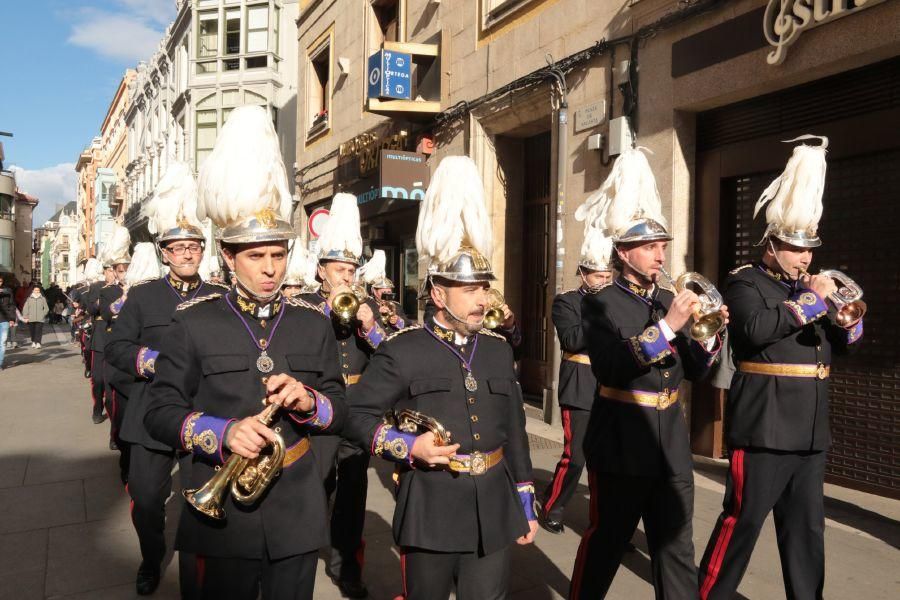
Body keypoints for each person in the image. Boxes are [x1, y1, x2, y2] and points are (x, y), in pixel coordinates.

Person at [144, 105, 346, 600]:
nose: (271, 268)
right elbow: (159, 412)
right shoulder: (193, 322)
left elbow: (340, 407)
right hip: (220, 514)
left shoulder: (312, 321)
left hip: (296, 509)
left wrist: (309, 402)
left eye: (278, 254)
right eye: (256, 256)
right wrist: (223, 432)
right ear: (230, 258)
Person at [344, 155, 537, 600]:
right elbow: (355, 416)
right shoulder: (403, 349)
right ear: (437, 293)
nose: (481, 299)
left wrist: (524, 499)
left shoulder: (497, 347)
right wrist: (407, 445)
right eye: (470, 289)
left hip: (493, 507)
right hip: (430, 509)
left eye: (484, 287)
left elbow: (515, 429)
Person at [698, 136, 864, 600]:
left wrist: (842, 315)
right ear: (771, 246)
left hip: (810, 431)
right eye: (795, 248)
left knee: (807, 531)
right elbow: (752, 329)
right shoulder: (744, 281)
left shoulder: (812, 288)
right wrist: (810, 301)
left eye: (809, 249)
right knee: (743, 521)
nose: (805, 257)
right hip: (764, 428)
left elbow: (842, 346)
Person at [569, 147, 726, 599]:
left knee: (676, 549)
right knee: (606, 544)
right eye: (650, 248)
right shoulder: (598, 303)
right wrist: (669, 328)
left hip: (671, 444)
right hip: (620, 440)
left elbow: (695, 370)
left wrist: (707, 335)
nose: (660, 256)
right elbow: (611, 367)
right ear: (623, 252)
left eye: (662, 247)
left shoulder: (666, 299)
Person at [107, 163, 222, 596]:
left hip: (202, 412)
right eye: (179, 247)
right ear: (165, 252)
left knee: (201, 502)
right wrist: (153, 360)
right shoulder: (143, 296)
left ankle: (198, 572)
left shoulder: (219, 297)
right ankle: (151, 558)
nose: (188, 253)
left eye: (194, 246)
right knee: (148, 500)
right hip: (150, 413)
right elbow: (118, 349)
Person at [299, 193, 386, 599]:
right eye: (340, 269)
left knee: (352, 494)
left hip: (356, 410)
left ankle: (346, 565)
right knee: (314, 487)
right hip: (316, 409)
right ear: (321, 271)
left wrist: (369, 325)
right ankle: (299, 548)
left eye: (352, 270)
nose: (347, 278)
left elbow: (392, 356)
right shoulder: (301, 308)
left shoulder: (368, 306)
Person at [538, 223, 613, 534]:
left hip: (610, 384)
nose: (605, 282)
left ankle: (605, 523)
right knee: (576, 457)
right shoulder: (566, 301)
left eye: (609, 277)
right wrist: (604, 315)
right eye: (599, 276)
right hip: (580, 384)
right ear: (584, 273)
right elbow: (572, 339)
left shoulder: (616, 299)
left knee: (607, 463)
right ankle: (553, 505)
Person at [98, 225, 132, 453]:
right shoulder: (108, 291)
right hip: (114, 347)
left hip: (136, 349)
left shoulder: (143, 288)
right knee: (113, 399)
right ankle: (115, 433)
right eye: (120, 270)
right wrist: (124, 298)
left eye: (127, 269)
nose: (123, 273)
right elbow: (105, 312)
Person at [358, 249, 410, 331]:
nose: (387, 295)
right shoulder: (367, 304)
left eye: (389, 292)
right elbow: (362, 324)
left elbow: (407, 324)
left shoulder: (396, 305)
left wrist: (397, 321)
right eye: (384, 292)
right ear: (374, 291)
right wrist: (378, 313)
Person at [0, 274, 15, 370]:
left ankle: (0, 363)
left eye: (0, 281)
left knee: (3, 342)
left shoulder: (8, 291)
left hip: (5, 320)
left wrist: (12, 319)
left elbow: (12, 305)